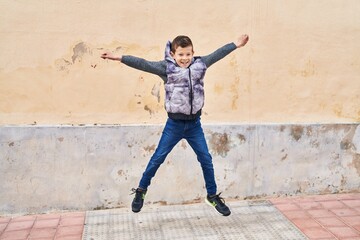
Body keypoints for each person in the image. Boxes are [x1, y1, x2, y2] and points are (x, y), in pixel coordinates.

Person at [101, 34, 249, 216]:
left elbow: (218, 54)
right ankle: (141, 191)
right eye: (180, 55)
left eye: (188, 54)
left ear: (193, 53)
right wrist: (120, 58)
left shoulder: (201, 64)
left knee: (206, 160)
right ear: (173, 54)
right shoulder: (166, 68)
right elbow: (143, 63)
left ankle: (211, 195)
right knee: (157, 158)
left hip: (194, 125)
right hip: (174, 125)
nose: (184, 58)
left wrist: (236, 44)